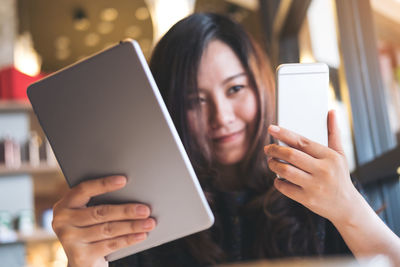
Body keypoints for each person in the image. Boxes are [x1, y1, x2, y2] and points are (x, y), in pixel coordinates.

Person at [51, 13, 400, 267]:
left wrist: (350, 207)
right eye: (194, 100)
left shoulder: (324, 190)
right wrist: (85, 263)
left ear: (261, 86)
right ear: (166, 107)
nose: (222, 117)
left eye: (235, 88)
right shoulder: (144, 216)